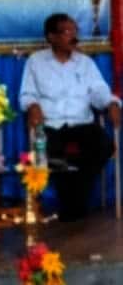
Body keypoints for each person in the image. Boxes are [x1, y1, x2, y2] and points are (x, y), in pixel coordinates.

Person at [19, 12, 120, 221]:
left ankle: (74, 202)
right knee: (50, 153)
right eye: (67, 32)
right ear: (51, 37)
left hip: (81, 122)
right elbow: (27, 93)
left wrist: (111, 102)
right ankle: (75, 204)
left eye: (75, 31)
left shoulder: (85, 63)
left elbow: (99, 90)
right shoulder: (36, 62)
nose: (73, 37)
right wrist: (33, 106)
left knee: (103, 145)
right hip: (51, 123)